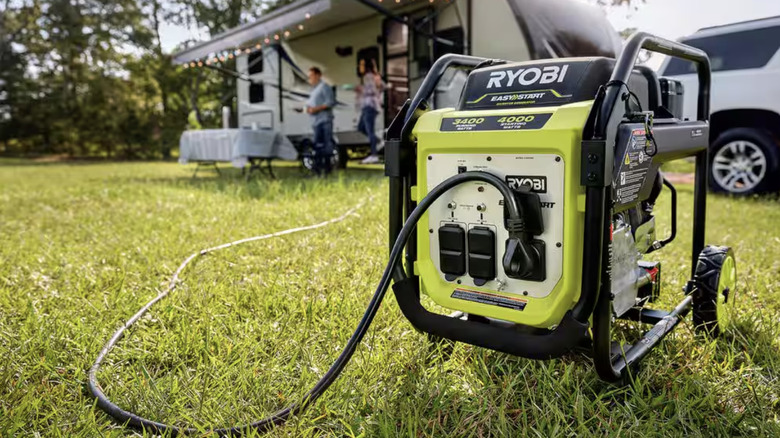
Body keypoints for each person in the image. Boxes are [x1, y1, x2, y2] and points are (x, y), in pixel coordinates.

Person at [305, 66, 336, 176]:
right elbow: (310, 104)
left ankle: (328, 169)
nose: (310, 79)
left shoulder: (324, 87)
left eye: (311, 76)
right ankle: (317, 169)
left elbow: (330, 102)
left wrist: (315, 109)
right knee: (317, 146)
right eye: (309, 77)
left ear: (318, 75)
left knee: (327, 145)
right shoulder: (313, 90)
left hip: (325, 120)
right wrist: (308, 109)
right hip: (316, 121)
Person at [356, 59, 384, 164]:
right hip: (369, 106)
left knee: (369, 130)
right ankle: (377, 141)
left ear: (366, 66)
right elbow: (383, 86)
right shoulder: (375, 76)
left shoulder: (368, 76)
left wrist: (361, 90)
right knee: (361, 127)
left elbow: (372, 90)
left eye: (362, 64)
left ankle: (374, 155)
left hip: (370, 106)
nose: (360, 66)